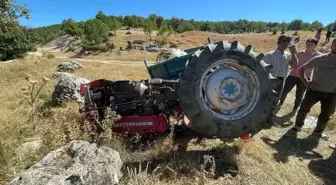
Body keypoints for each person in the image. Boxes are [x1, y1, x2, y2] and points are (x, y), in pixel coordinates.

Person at [291, 39, 336, 140]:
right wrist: (306, 82)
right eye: (335, 44)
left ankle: (318, 132)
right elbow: (301, 69)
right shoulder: (320, 58)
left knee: (326, 115)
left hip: (332, 93)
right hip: (315, 90)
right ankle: (298, 126)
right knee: (303, 109)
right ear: (332, 45)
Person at [277, 38, 321, 114]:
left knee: (299, 95)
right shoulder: (300, 53)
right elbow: (292, 61)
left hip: (304, 78)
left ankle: (295, 109)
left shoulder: (318, 56)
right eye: (307, 44)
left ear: (315, 45)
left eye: (311, 44)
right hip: (292, 75)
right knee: (284, 91)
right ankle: (280, 103)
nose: (308, 46)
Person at [263, 35, 296, 124]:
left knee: (275, 100)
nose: (285, 44)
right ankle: (262, 117)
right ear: (278, 43)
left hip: (282, 81)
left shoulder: (288, 55)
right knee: (267, 99)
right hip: (271, 81)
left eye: (287, 42)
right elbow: (264, 70)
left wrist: (293, 53)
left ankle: (269, 118)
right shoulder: (270, 55)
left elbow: (294, 65)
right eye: (283, 42)